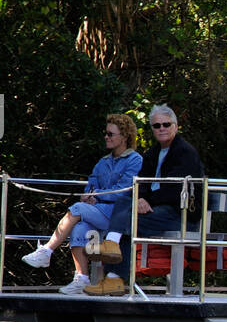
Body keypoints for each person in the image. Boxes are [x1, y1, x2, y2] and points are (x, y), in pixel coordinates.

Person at [85, 104, 205, 296]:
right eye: (157, 126)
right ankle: (113, 275)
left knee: (126, 220)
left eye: (166, 124)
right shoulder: (152, 153)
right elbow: (138, 184)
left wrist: (146, 201)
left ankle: (113, 265)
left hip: (180, 215)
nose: (162, 129)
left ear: (175, 126)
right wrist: (140, 198)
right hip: (156, 210)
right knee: (125, 204)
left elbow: (174, 191)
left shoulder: (185, 152)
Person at [22, 115, 142, 294]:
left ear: (124, 137)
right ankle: (82, 278)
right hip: (99, 210)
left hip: (118, 215)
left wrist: (97, 196)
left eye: (110, 134)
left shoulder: (135, 160)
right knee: (79, 227)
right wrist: (89, 195)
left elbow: (124, 190)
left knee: (76, 209)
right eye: (105, 133)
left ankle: (47, 250)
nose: (106, 137)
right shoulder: (103, 162)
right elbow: (91, 185)